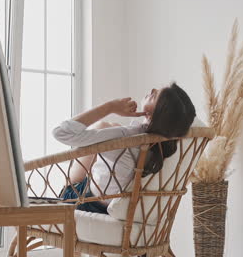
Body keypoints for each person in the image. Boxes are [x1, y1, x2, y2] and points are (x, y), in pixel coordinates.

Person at [52, 82, 196, 214]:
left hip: (81, 202)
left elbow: (61, 132)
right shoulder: (164, 146)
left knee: (103, 126)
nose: (152, 90)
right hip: (113, 204)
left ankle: (65, 191)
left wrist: (110, 107)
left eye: (155, 95)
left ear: (155, 115)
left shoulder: (125, 138)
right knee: (111, 126)